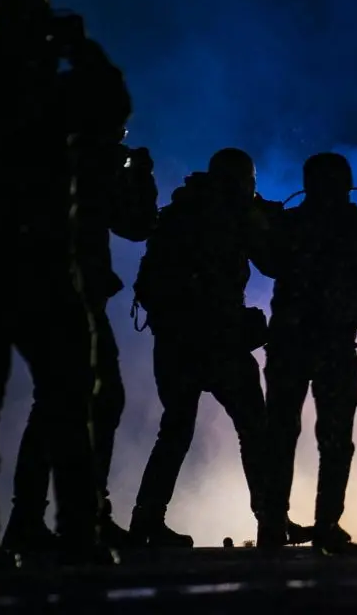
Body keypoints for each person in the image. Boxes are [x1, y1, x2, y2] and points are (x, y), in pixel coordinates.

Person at [0, 0, 129, 568]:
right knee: (68, 401)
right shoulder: (41, 82)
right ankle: (75, 534)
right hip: (36, 263)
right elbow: (111, 106)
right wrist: (81, 48)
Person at [2, 134, 159, 553]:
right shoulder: (83, 163)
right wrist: (138, 176)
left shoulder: (48, 156)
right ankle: (67, 520)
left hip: (49, 294)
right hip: (67, 297)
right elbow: (137, 223)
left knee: (66, 404)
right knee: (92, 401)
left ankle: (43, 518)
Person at [127, 148, 273, 548]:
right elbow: (273, 261)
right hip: (216, 342)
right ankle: (270, 518)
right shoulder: (230, 216)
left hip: (176, 343)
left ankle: (146, 520)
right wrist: (265, 219)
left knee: (174, 432)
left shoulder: (180, 213)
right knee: (253, 431)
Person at [255, 152, 357, 554]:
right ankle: (318, 525)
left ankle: (280, 526)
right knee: (325, 439)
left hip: (300, 345)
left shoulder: (295, 225)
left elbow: (269, 262)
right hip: (324, 345)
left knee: (287, 436)